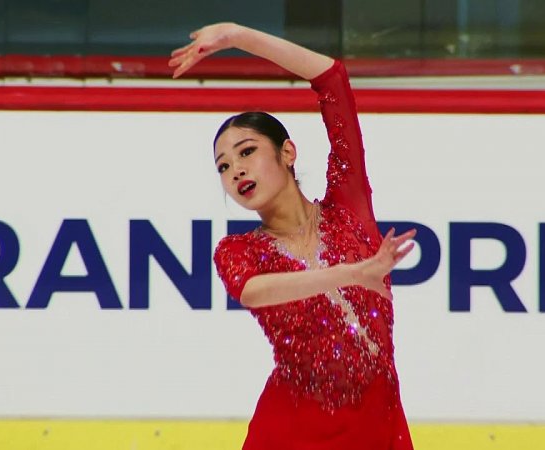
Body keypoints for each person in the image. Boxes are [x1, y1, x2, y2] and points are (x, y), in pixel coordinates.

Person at [169, 22, 417, 450]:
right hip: (291, 432)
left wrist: (236, 37)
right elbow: (253, 292)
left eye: (247, 152)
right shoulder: (237, 250)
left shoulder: (349, 207)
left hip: (377, 429)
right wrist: (352, 273)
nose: (236, 171)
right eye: (223, 167)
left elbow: (332, 79)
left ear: (287, 152)